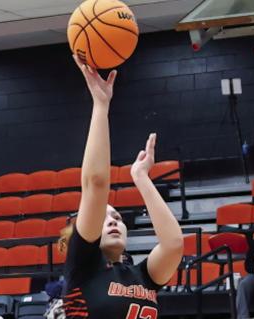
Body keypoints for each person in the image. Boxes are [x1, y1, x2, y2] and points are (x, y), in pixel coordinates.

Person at [60, 55, 184, 319]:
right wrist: (101, 106)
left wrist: (141, 177)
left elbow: (173, 244)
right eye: (105, 218)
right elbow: (96, 184)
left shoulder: (143, 275)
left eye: (116, 217)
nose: (113, 221)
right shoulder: (82, 267)